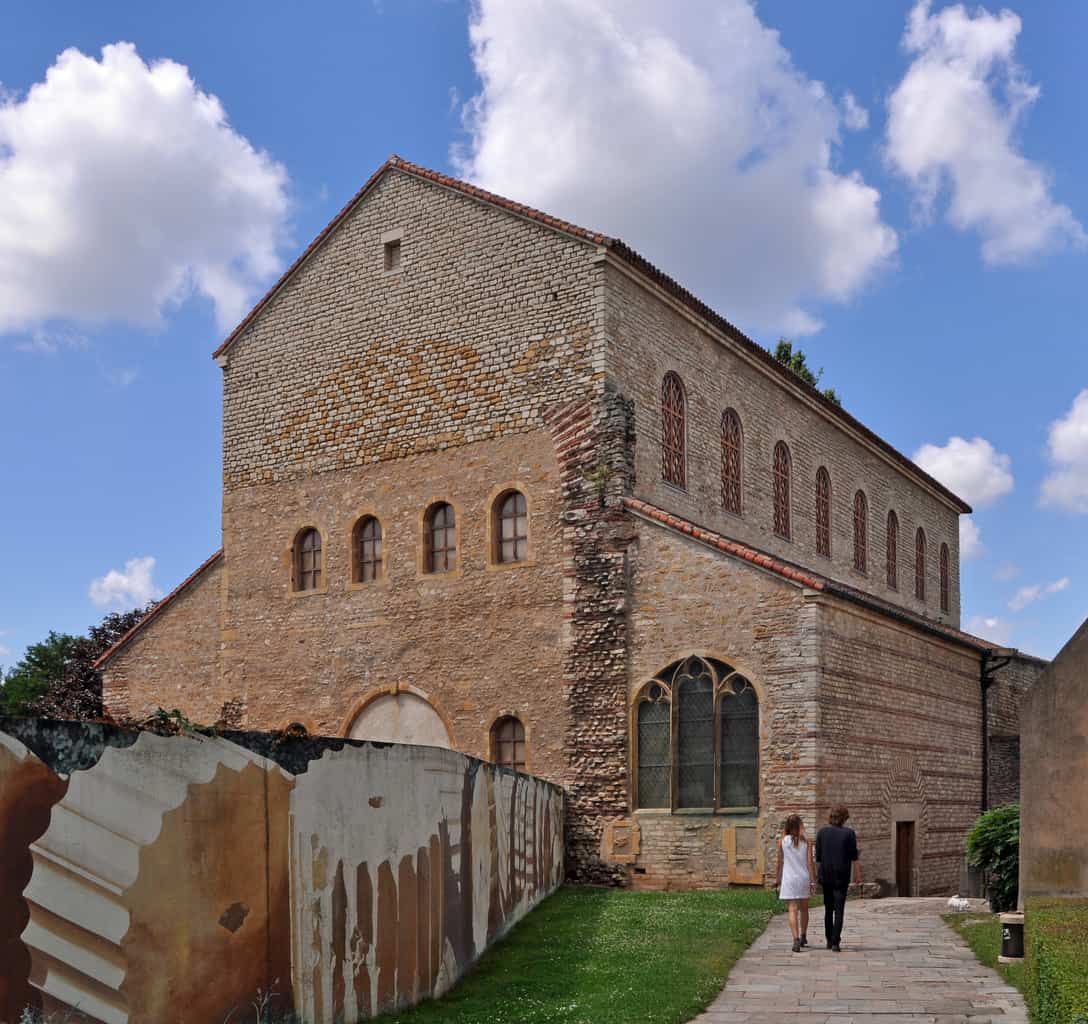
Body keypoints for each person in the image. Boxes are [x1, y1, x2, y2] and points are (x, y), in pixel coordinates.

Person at [815, 804, 861, 952]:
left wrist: (817, 875)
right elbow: (854, 857)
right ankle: (836, 942)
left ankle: (829, 939)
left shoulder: (822, 833)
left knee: (828, 908)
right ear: (844, 818)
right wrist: (858, 875)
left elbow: (819, 857)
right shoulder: (849, 834)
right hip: (842, 875)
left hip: (826, 874)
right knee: (839, 909)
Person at [775, 814, 816, 953]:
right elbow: (810, 863)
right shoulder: (807, 842)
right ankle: (804, 935)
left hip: (789, 879)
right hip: (803, 878)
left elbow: (780, 863)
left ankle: (796, 939)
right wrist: (813, 880)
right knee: (804, 908)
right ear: (800, 826)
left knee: (792, 909)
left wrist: (777, 879)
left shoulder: (782, 841)